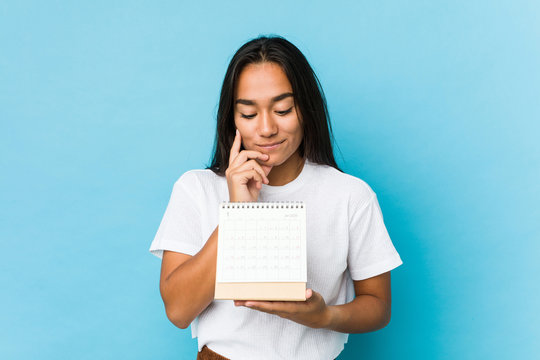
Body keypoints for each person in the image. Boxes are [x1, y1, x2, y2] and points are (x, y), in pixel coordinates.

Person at [149, 35, 403, 360]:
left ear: (307, 110)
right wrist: (238, 214)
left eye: (283, 109)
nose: (266, 128)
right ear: (231, 119)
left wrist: (324, 316)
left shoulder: (350, 195)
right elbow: (178, 311)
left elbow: (378, 306)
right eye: (249, 114)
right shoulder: (196, 188)